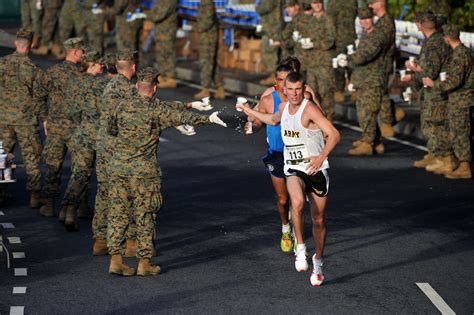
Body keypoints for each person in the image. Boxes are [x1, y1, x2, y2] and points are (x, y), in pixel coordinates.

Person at [106, 67, 227, 276]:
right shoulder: (157, 109)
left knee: (118, 213)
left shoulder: (120, 106)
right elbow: (180, 116)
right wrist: (208, 119)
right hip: (144, 171)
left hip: (119, 168)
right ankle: (144, 263)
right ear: (154, 88)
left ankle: (115, 260)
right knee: (145, 215)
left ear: (136, 87)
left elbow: (112, 130)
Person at [238, 72, 340, 286]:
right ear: (283, 89)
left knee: (319, 219)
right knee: (297, 202)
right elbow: (271, 119)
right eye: (290, 89)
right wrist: (248, 110)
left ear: (304, 90)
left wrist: (321, 157)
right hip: (293, 166)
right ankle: (300, 247)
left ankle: (319, 260)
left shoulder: (310, 109)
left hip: (315, 169)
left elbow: (334, 134)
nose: (294, 94)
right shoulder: (283, 108)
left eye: (298, 89)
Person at [245, 64, 294, 253]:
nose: (283, 84)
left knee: (297, 200)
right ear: (276, 81)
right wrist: (251, 126)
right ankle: (285, 228)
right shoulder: (267, 100)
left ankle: (298, 235)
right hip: (277, 155)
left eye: (287, 79)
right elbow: (257, 123)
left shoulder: (303, 98)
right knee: (283, 199)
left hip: (297, 155)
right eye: (280, 79)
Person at [95, 48, 139, 256]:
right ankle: (130, 243)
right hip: (120, 148)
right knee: (127, 193)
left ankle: (101, 239)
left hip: (104, 145)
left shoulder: (109, 85)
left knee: (104, 192)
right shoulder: (128, 90)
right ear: (133, 67)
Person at [39, 37, 87, 222]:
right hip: (77, 127)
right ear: (75, 52)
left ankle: (49, 203)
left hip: (57, 126)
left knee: (53, 164)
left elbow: (39, 96)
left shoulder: (52, 72)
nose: (83, 54)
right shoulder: (82, 75)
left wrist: (45, 118)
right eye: (82, 51)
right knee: (80, 166)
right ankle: (80, 205)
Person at [60, 51, 108, 233]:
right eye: (99, 64)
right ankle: (93, 214)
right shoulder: (103, 84)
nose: (101, 67)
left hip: (82, 133)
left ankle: (68, 209)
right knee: (103, 176)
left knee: (79, 173)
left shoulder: (75, 82)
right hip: (101, 135)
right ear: (91, 65)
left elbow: (71, 110)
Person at [0, 29, 48, 208]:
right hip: (26, 120)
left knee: (2, 156)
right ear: (32, 45)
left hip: (3, 119)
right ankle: (35, 195)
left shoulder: (1, 64)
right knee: (32, 157)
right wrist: (44, 118)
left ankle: (1, 192)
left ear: (15, 43)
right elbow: (39, 97)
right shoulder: (35, 70)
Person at [401, 12, 451, 172]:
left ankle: (443, 158)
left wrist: (414, 69)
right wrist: (415, 74)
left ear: (420, 24)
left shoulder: (435, 42)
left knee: (437, 124)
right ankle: (434, 153)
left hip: (436, 90)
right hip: (429, 89)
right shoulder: (431, 40)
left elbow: (432, 70)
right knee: (429, 123)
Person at [422, 24, 473, 179]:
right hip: (463, 99)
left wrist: (434, 84)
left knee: (460, 133)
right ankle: (464, 164)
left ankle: (464, 167)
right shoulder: (466, 52)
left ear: (446, 38)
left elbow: (455, 82)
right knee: (464, 132)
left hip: (460, 100)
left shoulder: (459, 55)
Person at [341, 8, 386, 156]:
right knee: (365, 111)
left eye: (368, 19)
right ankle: (376, 141)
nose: (365, 22)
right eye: (362, 19)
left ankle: (368, 143)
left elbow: (363, 56)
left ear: (372, 18)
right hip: (365, 80)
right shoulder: (366, 35)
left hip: (372, 81)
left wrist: (347, 59)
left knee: (367, 112)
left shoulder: (377, 36)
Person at [308, 0, 336, 121]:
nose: (317, 5)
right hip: (312, 62)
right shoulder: (312, 20)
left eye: (319, 2)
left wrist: (313, 44)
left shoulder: (328, 19)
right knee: (312, 92)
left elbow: (331, 40)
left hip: (324, 62)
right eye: (314, 3)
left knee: (326, 92)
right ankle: (316, 119)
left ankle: (328, 120)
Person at [326, 0, 358, 103]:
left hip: (350, 37)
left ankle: (354, 90)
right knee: (338, 66)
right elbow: (330, 20)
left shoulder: (352, 2)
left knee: (351, 64)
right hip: (337, 39)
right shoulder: (332, 3)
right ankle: (339, 91)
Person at [193, 0, 225, 100]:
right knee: (213, 63)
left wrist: (196, 27)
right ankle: (220, 88)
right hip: (209, 37)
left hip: (208, 38)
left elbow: (206, 21)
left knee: (206, 62)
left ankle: (205, 89)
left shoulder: (206, 3)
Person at [149, 0, 178, 88]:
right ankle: (162, 76)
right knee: (160, 54)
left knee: (168, 54)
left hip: (167, 32)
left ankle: (171, 78)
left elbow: (158, 15)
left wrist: (149, 16)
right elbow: (154, 11)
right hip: (160, 31)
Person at [256, 0, 284, 86]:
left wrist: (258, 7)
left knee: (270, 52)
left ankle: (274, 77)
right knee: (271, 52)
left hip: (271, 29)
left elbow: (263, 8)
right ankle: (275, 76)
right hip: (271, 28)